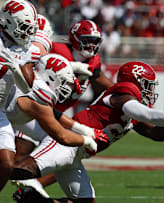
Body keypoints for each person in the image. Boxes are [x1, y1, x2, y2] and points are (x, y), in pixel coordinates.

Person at [11, 61, 164, 203]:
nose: (149, 91)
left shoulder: (132, 111)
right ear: (134, 82)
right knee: (24, 170)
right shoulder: (123, 93)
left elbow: (157, 135)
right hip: (67, 142)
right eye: (146, 85)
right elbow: (142, 112)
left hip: (77, 154)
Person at [13, 19, 114, 197]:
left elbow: (98, 79)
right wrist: (70, 66)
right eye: (87, 39)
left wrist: (117, 89)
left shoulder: (94, 60)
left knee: (65, 154)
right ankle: (30, 184)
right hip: (31, 110)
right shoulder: (57, 50)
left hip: (55, 114)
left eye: (95, 41)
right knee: (15, 159)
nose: (91, 45)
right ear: (75, 38)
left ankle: (32, 186)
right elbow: (29, 64)